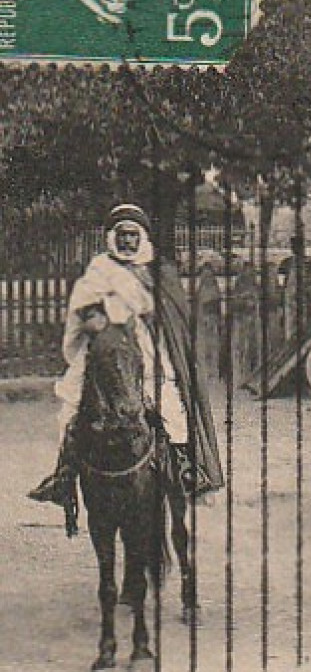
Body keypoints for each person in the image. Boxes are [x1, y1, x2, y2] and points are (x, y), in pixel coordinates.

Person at [29, 203, 224, 524]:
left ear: (143, 237)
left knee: (172, 409)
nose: (128, 242)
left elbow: (171, 324)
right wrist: (97, 320)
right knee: (70, 410)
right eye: (122, 235)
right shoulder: (99, 270)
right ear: (111, 237)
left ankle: (188, 471)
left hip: (148, 351)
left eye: (134, 235)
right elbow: (83, 312)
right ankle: (63, 477)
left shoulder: (158, 271)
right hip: (104, 353)